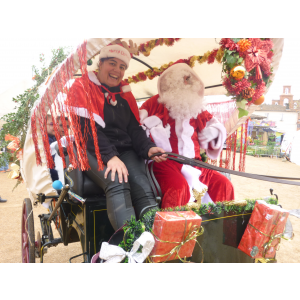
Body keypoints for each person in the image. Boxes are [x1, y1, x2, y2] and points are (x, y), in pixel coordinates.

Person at [67, 40, 166, 231]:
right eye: (112, 63)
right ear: (100, 63)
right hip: (91, 147)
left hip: (124, 148)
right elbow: (86, 130)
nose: (117, 70)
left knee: (142, 185)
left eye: (122, 67)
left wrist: (148, 148)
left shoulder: (124, 92)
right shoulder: (81, 87)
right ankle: (130, 243)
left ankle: (155, 238)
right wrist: (110, 157)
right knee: (117, 181)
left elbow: (133, 129)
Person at [140, 63, 235, 209]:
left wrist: (215, 131)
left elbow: (215, 124)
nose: (187, 84)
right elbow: (137, 124)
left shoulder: (197, 107)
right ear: (171, 82)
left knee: (224, 184)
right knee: (178, 188)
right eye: (182, 81)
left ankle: (220, 227)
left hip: (195, 163)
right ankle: (172, 230)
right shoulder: (156, 102)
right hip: (166, 161)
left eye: (189, 81)